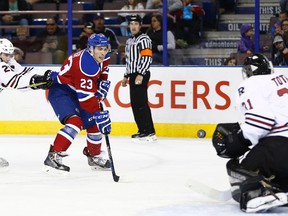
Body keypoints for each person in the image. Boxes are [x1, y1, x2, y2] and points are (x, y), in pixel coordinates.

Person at [212, 53, 288, 213]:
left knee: (241, 167)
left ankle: (258, 195)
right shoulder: (283, 78)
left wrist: (239, 139)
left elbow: (262, 122)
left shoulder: (251, 84)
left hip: (280, 147)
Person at [43, 33, 112, 173]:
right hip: (61, 91)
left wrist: (101, 87)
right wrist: (98, 113)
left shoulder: (102, 58)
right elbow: (86, 99)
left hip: (76, 91)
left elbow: (103, 72)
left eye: (105, 49)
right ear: (91, 49)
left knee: (93, 122)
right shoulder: (85, 65)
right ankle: (53, 155)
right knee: (76, 121)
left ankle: (93, 155)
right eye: (100, 49)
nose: (103, 52)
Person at [0, 38, 53, 169]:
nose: (9, 57)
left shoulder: (7, 61)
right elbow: (16, 82)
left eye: (10, 55)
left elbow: (22, 73)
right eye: (6, 55)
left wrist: (40, 79)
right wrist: (37, 81)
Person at [121, 14, 156, 142]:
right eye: (131, 24)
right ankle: (142, 130)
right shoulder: (130, 41)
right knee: (135, 104)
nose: (133, 26)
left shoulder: (144, 39)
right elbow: (130, 61)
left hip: (141, 73)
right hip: (133, 74)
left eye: (136, 24)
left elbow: (147, 58)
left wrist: (141, 74)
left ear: (140, 25)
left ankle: (149, 131)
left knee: (141, 103)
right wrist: (126, 76)